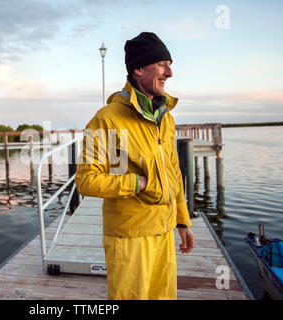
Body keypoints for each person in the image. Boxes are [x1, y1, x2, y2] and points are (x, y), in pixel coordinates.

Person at [75, 32, 195, 300]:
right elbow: (86, 180)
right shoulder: (106, 120)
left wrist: (182, 221)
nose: (170, 72)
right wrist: (137, 183)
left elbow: (173, 171)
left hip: (163, 233)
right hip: (129, 239)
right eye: (162, 64)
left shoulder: (165, 118)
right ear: (138, 69)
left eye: (170, 64)